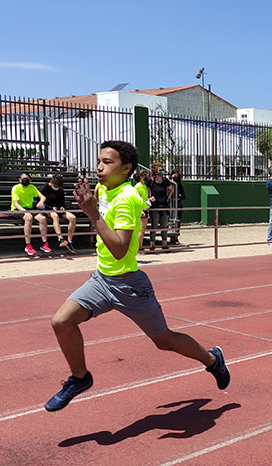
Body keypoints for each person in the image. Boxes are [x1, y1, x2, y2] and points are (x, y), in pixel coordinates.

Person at [44, 140, 229, 412]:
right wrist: (92, 207)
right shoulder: (102, 189)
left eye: (108, 163)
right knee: (61, 322)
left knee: (164, 341)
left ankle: (212, 360)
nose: (99, 167)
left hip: (130, 286)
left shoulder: (127, 197)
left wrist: (92, 212)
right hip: (101, 280)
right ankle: (80, 378)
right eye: (99, 161)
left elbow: (119, 249)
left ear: (126, 168)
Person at [36, 174, 77, 254]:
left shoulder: (60, 190)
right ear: (51, 182)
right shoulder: (44, 189)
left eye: (58, 186)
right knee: (55, 215)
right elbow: (39, 204)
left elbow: (62, 203)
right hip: (47, 209)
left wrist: (62, 208)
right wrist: (51, 208)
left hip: (58, 209)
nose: (56, 187)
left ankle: (69, 241)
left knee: (73, 218)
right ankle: (60, 237)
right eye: (55, 185)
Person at [11, 173, 50, 255]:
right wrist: (25, 212)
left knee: (43, 219)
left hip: (30, 209)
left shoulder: (32, 187)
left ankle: (44, 243)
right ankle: (28, 245)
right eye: (23, 179)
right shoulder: (16, 188)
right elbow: (15, 203)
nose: (25, 180)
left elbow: (43, 197)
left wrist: (41, 201)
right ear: (20, 180)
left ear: (30, 180)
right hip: (18, 209)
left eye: (27, 179)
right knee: (28, 218)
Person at [146, 164, 174, 250]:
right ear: (155, 172)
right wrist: (149, 198)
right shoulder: (151, 181)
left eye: (162, 170)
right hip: (154, 206)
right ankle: (152, 245)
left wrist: (168, 197)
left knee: (164, 226)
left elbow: (171, 189)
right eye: (160, 170)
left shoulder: (165, 180)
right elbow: (143, 190)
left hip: (164, 205)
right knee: (154, 226)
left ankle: (164, 245)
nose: (162, 172)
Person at [133, 169, 150, 250]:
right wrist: (140, 210)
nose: (146, 178)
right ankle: (137, 247)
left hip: (146, 208)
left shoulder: (144, 186)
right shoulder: (137, 186)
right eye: (144, 176)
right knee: (140, 229)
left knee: (143, 229)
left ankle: (141, 246)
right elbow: (136, 198)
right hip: (140, 209)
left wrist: (149, 200)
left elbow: (144, 198)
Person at [169, 170, 185, 244]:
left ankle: (176, 237)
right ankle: (171, 236)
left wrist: (179, 197)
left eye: (177, 176)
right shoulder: (169, 183)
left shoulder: (179, 185)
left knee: (178, 220)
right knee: (171, 220)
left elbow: (184, 195)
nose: (175, 177)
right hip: (171, 204)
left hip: (178, 204)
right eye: (174, 176)